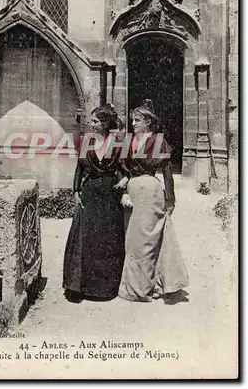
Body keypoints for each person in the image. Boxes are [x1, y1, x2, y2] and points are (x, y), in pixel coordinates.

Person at [118, 99, 189, 303]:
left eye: (137, 120)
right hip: (132, 193)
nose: (133, 124)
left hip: (152, 194)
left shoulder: (158, 142)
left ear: (148, 122)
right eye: (133, 120)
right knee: (133, 241)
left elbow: (167, 171)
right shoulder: (128, 141)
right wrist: (124, 187)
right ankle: (135, 287)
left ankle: (152, 286)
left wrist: (170, 199)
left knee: (149, 241)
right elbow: (120, 168)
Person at [63, 103, 126, 302]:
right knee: (85, 238)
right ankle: (81, 287)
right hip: (90, 193)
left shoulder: (118, 142)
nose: (92, 125)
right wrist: (75, 191)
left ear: (106, 124)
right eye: (91, 121)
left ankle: (105, 289)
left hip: (109, 195)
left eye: (96, 121)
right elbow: (79, 169)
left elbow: (127, 167)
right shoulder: (87, 141)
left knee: (107, 239)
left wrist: (125, 178)